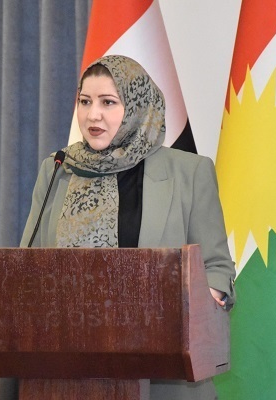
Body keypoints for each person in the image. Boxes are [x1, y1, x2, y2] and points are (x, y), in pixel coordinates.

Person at [20, 54, 235, 400]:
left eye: (108, 102)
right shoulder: (58, 168)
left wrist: (192, 311)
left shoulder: (190, 172)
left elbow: (217, 267)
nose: (93, 115)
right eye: (85, 101)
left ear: (137, 106)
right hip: (68, 375)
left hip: (166, 378)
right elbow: (27, 265)